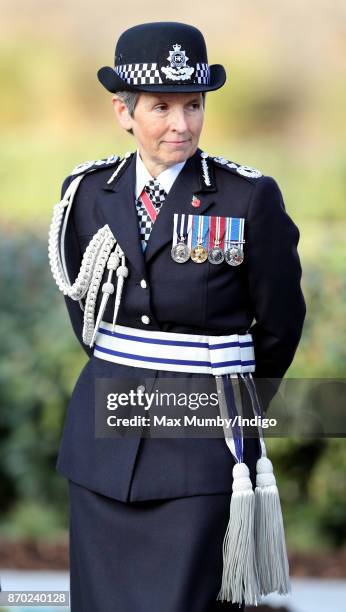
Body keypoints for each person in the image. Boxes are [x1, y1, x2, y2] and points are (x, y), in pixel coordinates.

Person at [48, 21, 306, 612]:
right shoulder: (86, 194)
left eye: (193, 105)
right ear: (123, 111)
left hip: (201, 447)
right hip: (101, 451)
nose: (181, 125)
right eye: (161, 106)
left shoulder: (247, 198)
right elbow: (87, 314)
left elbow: (280, 326)